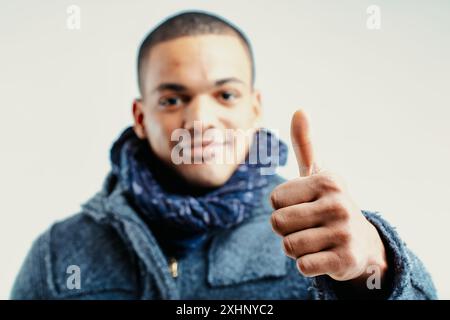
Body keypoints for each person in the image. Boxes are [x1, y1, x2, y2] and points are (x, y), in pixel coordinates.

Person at [11, 10, 437, 300]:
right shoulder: (60, 252)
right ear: (140, 117)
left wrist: (374, 269)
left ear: (254, 107)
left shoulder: (323, 233)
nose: (201, 119)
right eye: (173, 99)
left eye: (226, 94)